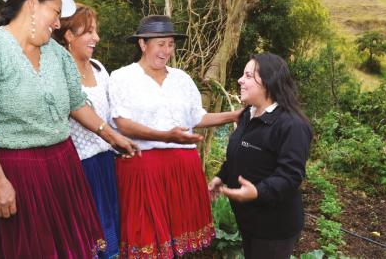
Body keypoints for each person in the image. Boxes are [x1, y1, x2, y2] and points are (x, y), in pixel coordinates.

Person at [0, 0, 138, 258]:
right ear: (32, 3)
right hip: (9, 166)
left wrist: (110, 135)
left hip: (58, 164)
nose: (57, 22)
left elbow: (76, 103)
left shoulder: (56, 54)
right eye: (56, 11)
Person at [108, 15, 242, 258]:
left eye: (170, 44)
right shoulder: (122, 77)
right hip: (143, 168)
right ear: (142, 44)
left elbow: (197, 118)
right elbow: (122, 124)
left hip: (182, 169)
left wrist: (234, 115)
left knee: (178, 244)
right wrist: (165, 136)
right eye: (161, 44)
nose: (167, 50)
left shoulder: (181, 79)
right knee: (146, 239)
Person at [208, 52, 313, 259]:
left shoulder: (291, 125)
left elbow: (290, 176)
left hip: (274, 226)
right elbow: (238, 155)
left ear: (267, 82)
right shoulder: (248, 114)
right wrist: (221, 176)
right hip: (249, 220)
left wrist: (256, 191)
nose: (240, 80)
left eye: (248, 75)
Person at [53, 4, 120, 259]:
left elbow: (113, 114)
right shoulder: (59, 70)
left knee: (111, 230)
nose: (97, 38)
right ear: (69, 35)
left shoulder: (99, 68)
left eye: (96, 31)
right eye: (89, 31)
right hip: (79, 168)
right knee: (88, 237)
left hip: (107, 163)